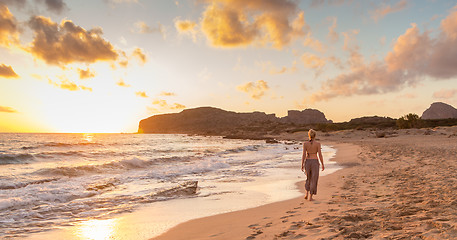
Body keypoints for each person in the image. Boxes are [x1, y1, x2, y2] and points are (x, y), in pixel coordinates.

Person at [301, 129, 324, 201]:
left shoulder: (305, 144)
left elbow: (304, 155)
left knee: (308, 178)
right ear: (315, 135)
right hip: (315, 162)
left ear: (309, 135)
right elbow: (320, 155)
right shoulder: (317, 144)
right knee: (314, 179)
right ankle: (310, 197)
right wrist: (322, 164)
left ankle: (306, 194)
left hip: (307, 162)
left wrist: (302, 164)